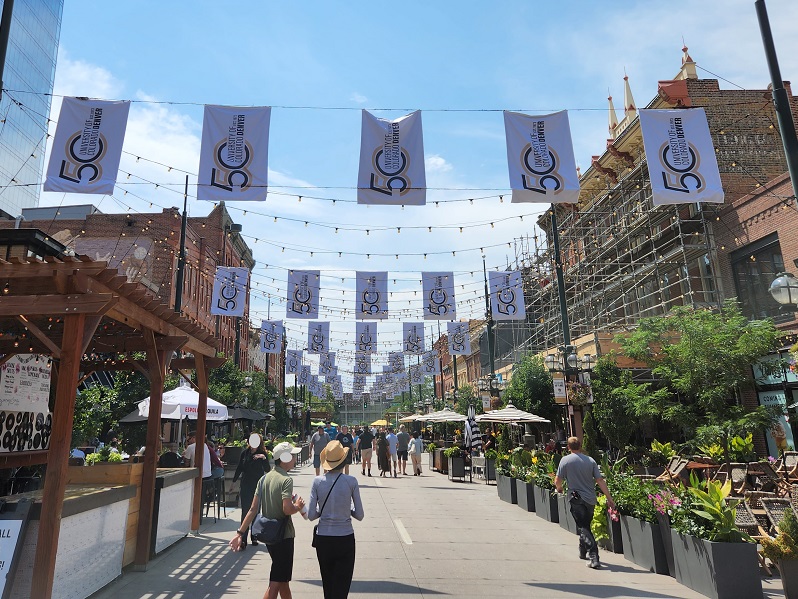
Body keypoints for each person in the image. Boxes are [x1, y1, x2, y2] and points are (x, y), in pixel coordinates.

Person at [230, 441, 305, 599]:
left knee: (282, 579)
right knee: (276, 582)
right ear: (284, 458)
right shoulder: (286, 480)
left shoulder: (264, 479)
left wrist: (239, 533)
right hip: (283, 535)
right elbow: (287, 509)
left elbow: (252, 509)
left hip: (269, 535)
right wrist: (297, 506)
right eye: (292, 455)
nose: (295, 458)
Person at [308, 440, 365, 598]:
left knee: (328, 584)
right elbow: (359, 515)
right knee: (342, 587)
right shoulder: (351, 481)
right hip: (345, 537)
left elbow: (311, 515)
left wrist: (323, 511)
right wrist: (347, 509)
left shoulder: (317, 482)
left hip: (324, 538)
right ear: (344, 460)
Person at [554, 436, 616, 570]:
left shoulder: (565, 460)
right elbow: (600, 480)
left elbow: (558, 479)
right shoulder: (590, 460)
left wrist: (559, 488)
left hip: (576, 498)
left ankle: (594, 556)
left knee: (583, 527)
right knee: (585, 524)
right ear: (580, 446)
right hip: (590, 499)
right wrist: (609, 498)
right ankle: (582, 551)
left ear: (568, 447)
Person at [233, 433, 271, 549]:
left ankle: (254, 535)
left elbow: (267, 469)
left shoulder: (263, 454)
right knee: (245, 510)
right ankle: (242, 538)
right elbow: (240, 467)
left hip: (257, 485)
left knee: (255, 511)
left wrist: (263, 458)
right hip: (245, 484)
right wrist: (234, 482)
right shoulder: (245, 453)